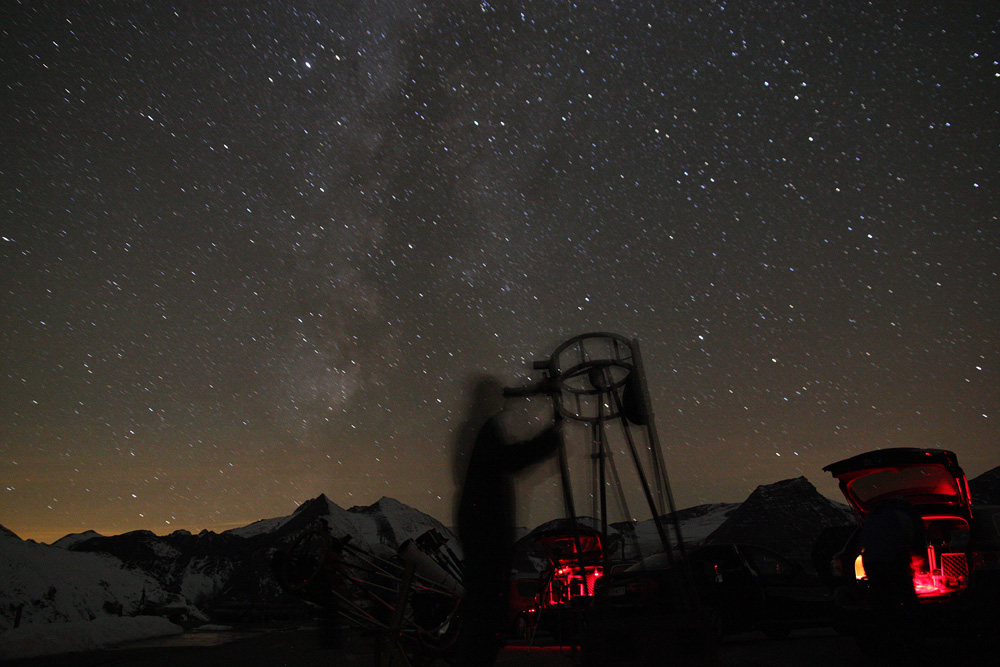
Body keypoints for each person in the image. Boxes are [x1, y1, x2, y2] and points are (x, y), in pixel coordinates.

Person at [454, 374, 561, 666]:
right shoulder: (485, 429)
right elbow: (507, 460)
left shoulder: (477, 429)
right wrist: (547, 441)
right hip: (484, 528)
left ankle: (477, 656)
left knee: (485, 604)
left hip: (481, 526)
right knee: (486, 607)